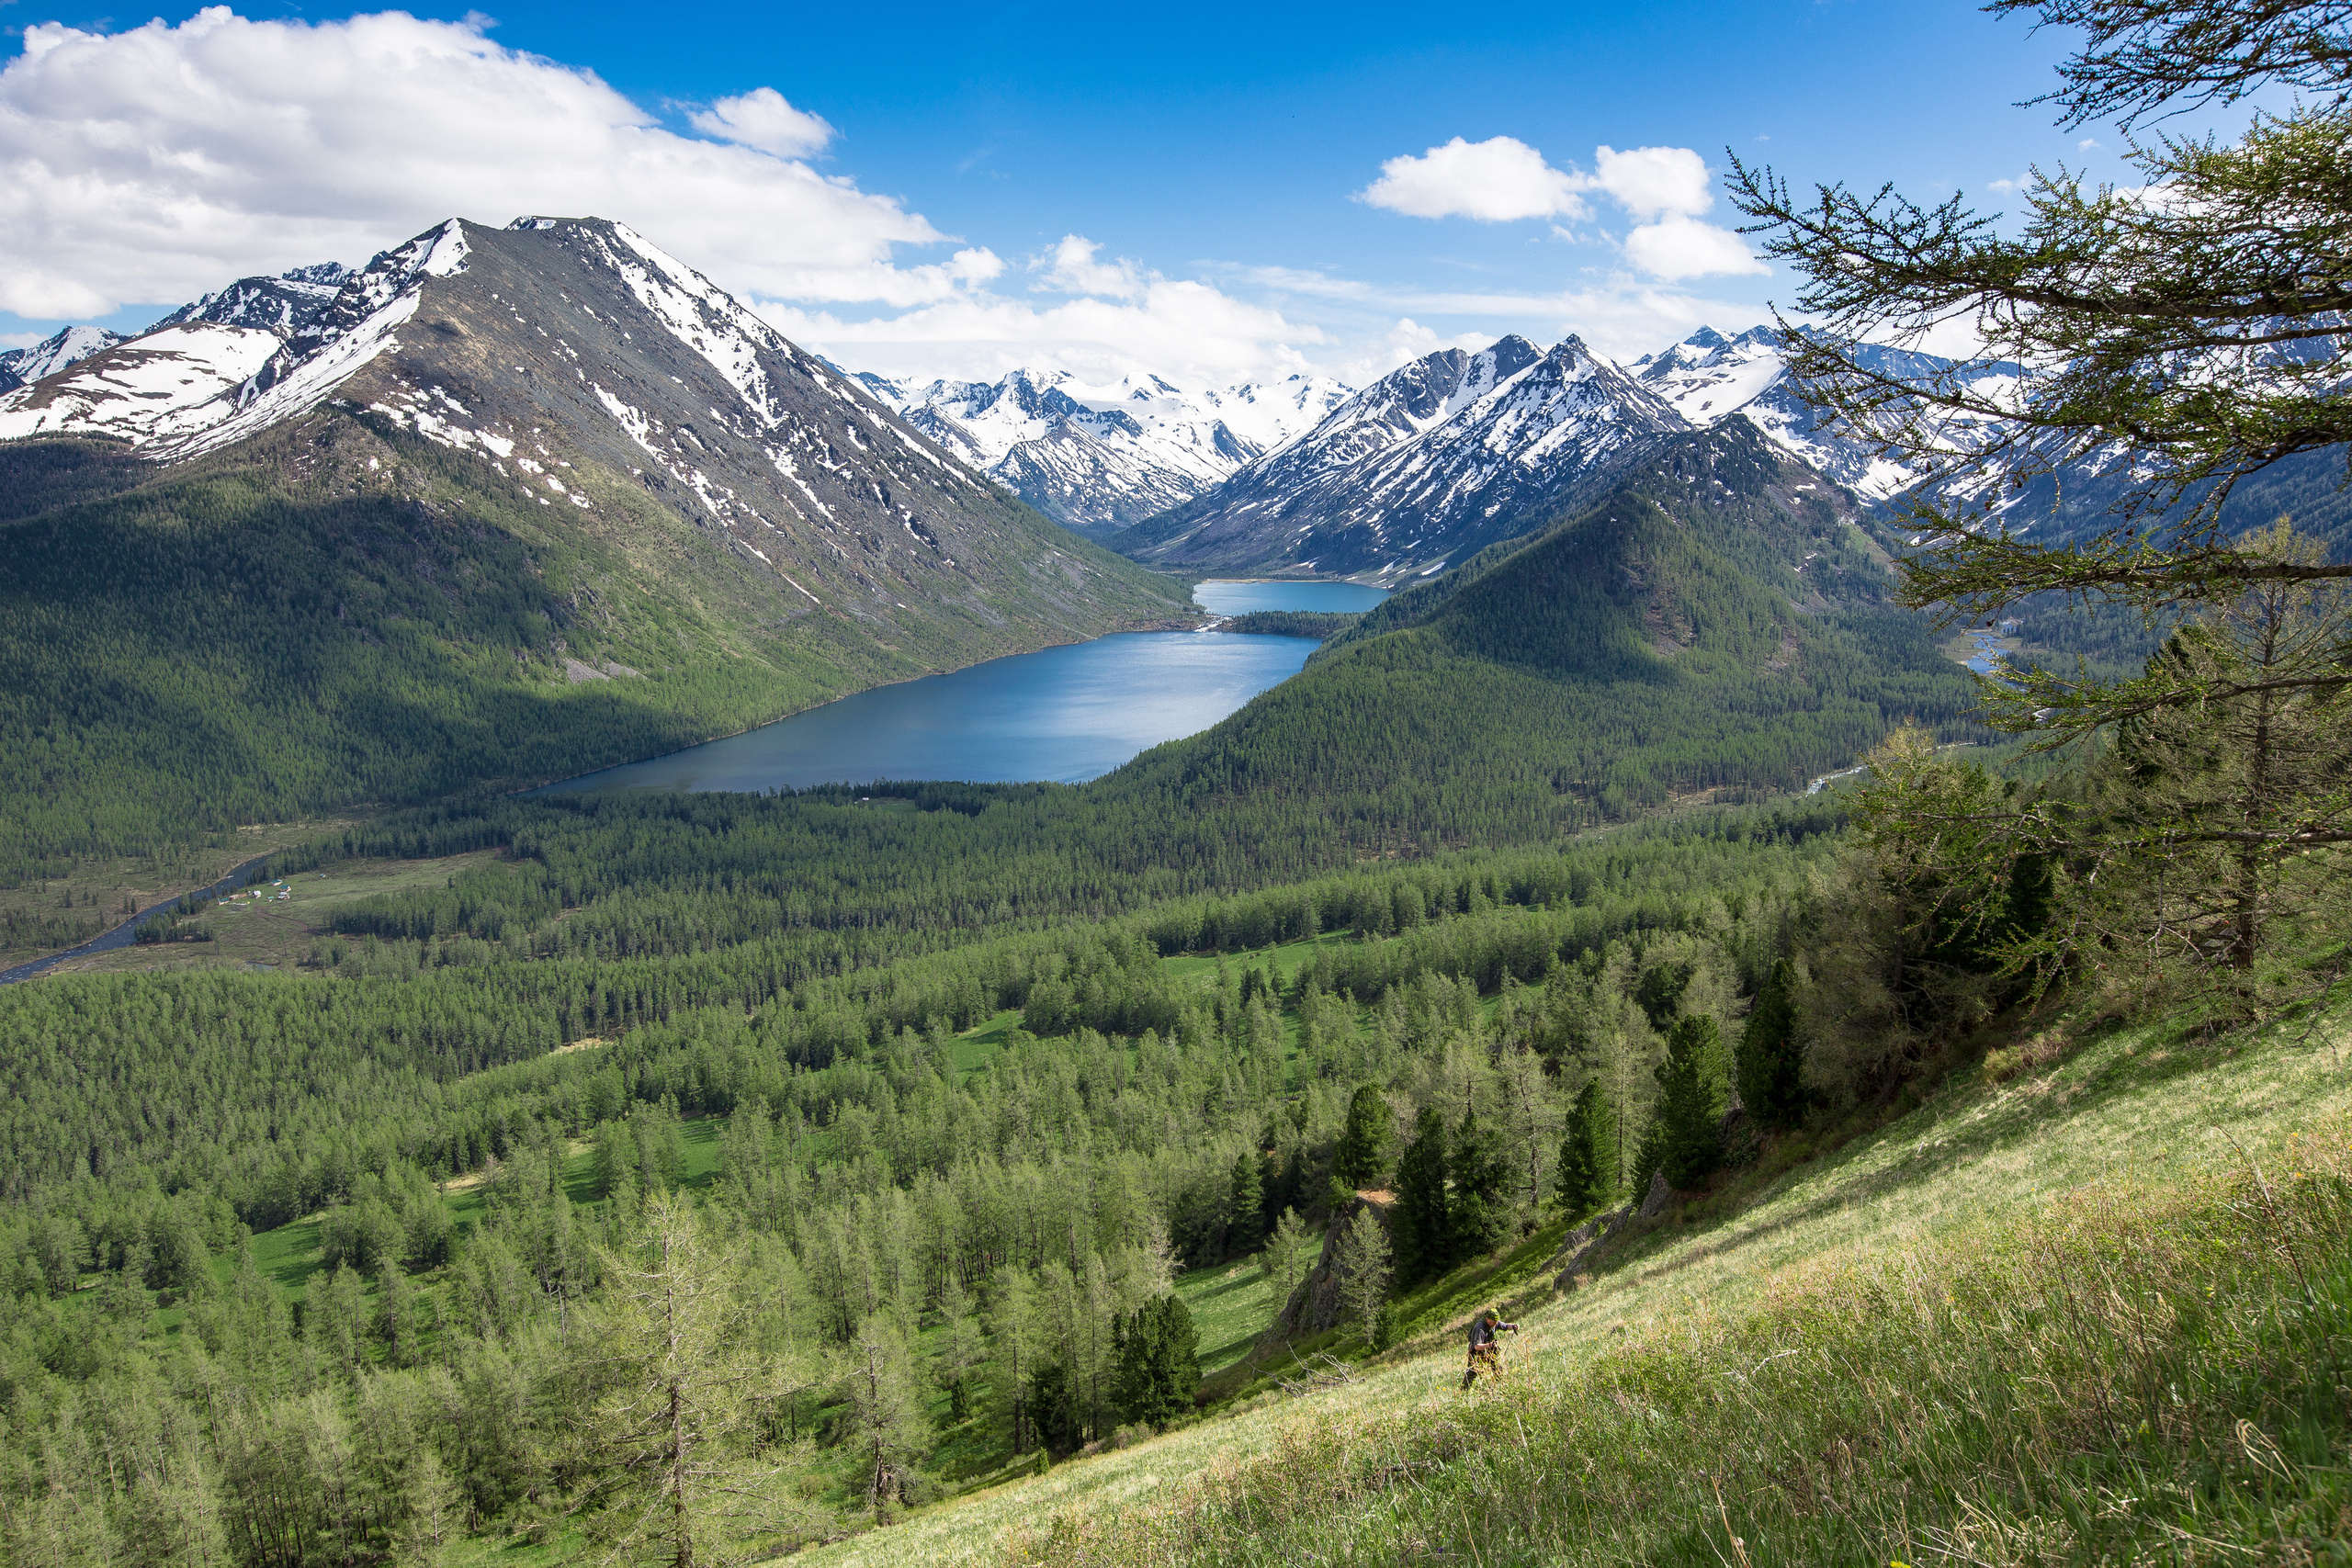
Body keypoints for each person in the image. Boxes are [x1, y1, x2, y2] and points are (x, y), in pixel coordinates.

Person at [1461, 1307, 1518, 1389]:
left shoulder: (1495, 1322)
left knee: (1497, 1367)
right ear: (1487, 1319)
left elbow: (1505, 1326)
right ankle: (1463, 1391)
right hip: (1476, 1354)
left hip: (1488, 1351)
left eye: (1496, 1322)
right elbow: (1477, 1346)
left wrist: (1514, 1326)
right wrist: (1490, 1345)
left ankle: (1500, 1386)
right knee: (1472, 1372)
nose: (1495, 1324)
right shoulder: (1480, 1328)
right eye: (1493, 1322)